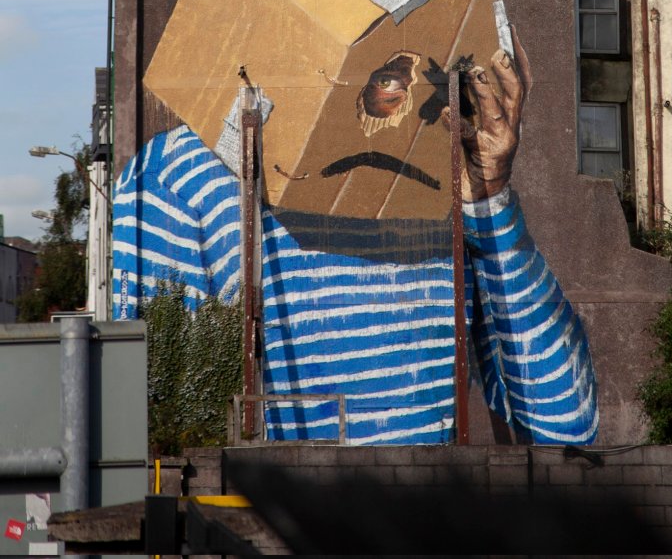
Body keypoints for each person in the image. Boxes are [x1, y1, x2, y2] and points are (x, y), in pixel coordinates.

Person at [112, 28, 599, 445]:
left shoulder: (445, 175)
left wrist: (489, 202)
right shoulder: (180, 175)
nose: (403, 105)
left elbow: (567, 425)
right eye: (388, 78)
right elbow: (158, 419)